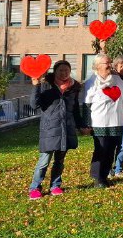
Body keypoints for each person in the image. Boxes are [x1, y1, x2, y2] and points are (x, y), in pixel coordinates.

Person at [28, 60, 89, 199]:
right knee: (44, 161)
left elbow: (75, 111)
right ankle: (35, 188)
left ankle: (55, 186)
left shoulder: (73, 89)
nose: (64, 73)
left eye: (66, 70)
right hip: (50, 130)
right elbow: (34, 105)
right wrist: (36, 86)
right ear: (55, 71)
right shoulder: (46, 86)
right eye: (61, 70)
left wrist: (81, 126)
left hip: (66, 130)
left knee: (59, 161)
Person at [83, 54, 123, 188]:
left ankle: (104, 176)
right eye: (106, 63)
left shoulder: (117, 79)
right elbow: (87, 104)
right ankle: (97, 178)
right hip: (99, 122)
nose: (109, 65)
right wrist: (86, 125)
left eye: (110, 62)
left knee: (111, 150)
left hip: (116, 121)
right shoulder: (91, 82)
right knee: (101, 149)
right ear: (97, 66)